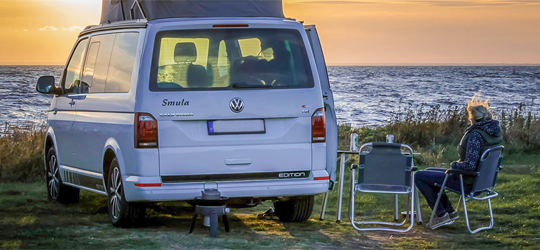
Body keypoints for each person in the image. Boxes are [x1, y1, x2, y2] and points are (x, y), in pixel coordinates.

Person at [415, 98, 503, 229]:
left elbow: (469, 166)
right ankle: (449, 212)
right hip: (482, 182)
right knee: (429, 171)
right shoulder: (493, 134)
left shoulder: (475, 136)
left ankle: (440, 215)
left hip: (467, 182)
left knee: (419, 176)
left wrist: (455, 165)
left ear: (472, 119)